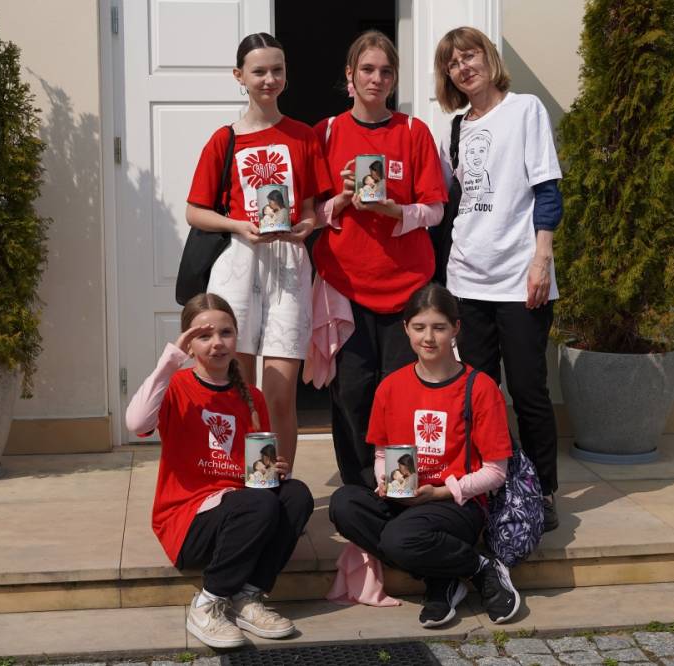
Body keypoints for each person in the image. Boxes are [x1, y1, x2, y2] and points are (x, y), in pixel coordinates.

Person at [124, 293, 314, 649]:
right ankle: (207, 604)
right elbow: (136, 422)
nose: (217, 343)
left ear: (236, 337)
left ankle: (247, 597)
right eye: (204, 336)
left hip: (240, 514)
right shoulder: (176, 386)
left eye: (225, 333)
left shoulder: (252, 397)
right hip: (188, 521)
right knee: (257, 504)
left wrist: (273, 472)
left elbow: (253, 472)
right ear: (189, 343)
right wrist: (171, 359)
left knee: (296, 494)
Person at [328, 283, 519, 628]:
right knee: (344, 504)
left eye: (439, 327)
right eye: (419, 327)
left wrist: (441, 492)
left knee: (399, 539)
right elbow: (382, 452)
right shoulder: (391, 386)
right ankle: (442, 577)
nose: (428, 338)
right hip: (406, 497)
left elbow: (496, 472)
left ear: (456, 328)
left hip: (456, 502)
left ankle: (483, 568)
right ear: (406, 329)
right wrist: (385, 479)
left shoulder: (480, 387)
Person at [434, 27, 564, 531]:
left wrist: (541, 258)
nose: (463, 68)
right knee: (479, 395)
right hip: (467, 279)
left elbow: (547, 190)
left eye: (469, 56)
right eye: (453, 63)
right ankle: (491, 487)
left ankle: (542, 490)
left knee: (529, 390)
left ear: (488, 58)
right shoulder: (455, 129)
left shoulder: (525, 109)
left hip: (519, 277)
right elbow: (450, 205)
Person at [186, 33, 333, 472]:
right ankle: (244, 483)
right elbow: (195, 211)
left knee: (280, 394)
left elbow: (312, 210)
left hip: (288, 265)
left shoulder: (303, 136)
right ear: (240, 76)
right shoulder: (224, 139)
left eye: (277, 70)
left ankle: (278, 485)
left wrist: (307, 226)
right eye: (259, 71)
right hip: (238, 262)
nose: (269, 79)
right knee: (240, 391)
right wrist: (238, 226)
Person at [312, 30, 447, 488]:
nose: (376, 79)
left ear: (394, 78)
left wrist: (396, 212)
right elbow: (308, 214)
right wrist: (341, 198)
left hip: (407, 286)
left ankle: (399, 485)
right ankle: (359, 489)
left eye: (386, 71)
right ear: (350, 75)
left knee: (401, 391)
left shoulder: (412, 132)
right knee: (351, 390)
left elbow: (435, 209)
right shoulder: (327, 132)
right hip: (345, 284)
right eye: (367, 69)